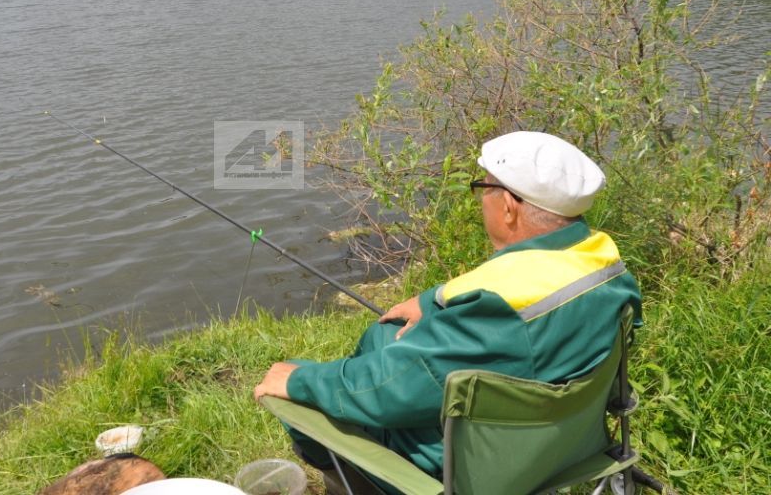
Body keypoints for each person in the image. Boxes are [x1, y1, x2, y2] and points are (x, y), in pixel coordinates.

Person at [253, 131, 642, 494]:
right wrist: (431, 300)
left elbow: (387, 390)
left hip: (472, 467)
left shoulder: (494, 314)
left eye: (483, 188)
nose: (480, 201)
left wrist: (301, 381)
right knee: (383, 334)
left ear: (508, 207)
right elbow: (519, 281)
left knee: (297, 389)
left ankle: (348, 478)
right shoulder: (605, 268)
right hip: (567, 440)